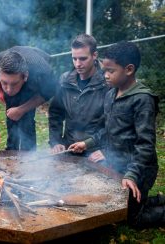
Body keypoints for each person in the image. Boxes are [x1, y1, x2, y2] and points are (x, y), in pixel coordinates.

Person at [69, 41, 165, 228]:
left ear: (129, 69)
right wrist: (86, 143)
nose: (105, 75)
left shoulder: (142, 100)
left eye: (110, 71)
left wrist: (131, 175)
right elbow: (107, 130)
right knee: (111, 206)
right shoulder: (110, 95)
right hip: (117, 163)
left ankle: (147, 206)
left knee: (131, 219)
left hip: (139, 169)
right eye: (104, 70)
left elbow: (145, 145)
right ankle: (153, 200)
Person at [0, 46, 57, 151]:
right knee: (12, 113)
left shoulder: (43, 71)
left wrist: (22, 109)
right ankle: (11, 150)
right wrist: (0, 90)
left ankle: (29, 153)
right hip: (16, 61)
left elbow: (47, 93)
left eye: (14, 84)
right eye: (4, 83)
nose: (8, 89)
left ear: (25, 76)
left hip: (36, 64)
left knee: (27, 118)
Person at [48, 34, 108, 160]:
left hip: (96, 153)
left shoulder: (107, 83)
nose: (78, 64)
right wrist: (56, 141)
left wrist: (106, 151)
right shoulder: (65, 80)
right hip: (69, 148)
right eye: (74, 59)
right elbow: (55, 113)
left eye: (82, 58)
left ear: (94, 55)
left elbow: (113, 124)